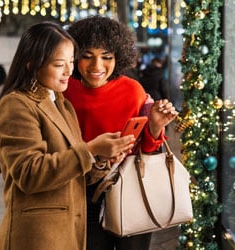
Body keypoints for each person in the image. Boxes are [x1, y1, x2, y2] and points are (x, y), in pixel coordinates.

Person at [0, 21, 135, 250]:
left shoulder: (61, 104)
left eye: (70, 62)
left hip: (67, 233)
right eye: (59, 64)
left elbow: (75, 174)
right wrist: (90, 150)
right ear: (31, 65)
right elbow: (29, 174)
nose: (69, 71)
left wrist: (102, 158)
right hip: (36, 236)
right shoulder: (16, 105)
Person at [64, 16, 178, 250]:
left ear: (119, 57)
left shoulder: (132, 90)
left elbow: (147, 148)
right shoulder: (65, 89)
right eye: (87, 56)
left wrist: (155, 125)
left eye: (107, 57)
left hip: (130, 188)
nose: (97, 66)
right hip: (79, 193)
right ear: (74, 57)